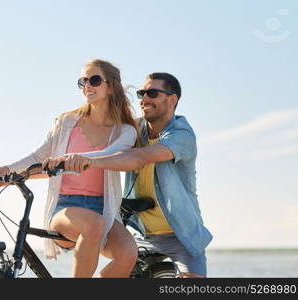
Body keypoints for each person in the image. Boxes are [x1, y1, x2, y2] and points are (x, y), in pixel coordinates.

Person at [46, 72, 213, 278]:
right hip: (138, 232)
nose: (144, 99)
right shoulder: (134, 129)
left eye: (152, 93)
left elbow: (141, 156)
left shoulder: (181, 135)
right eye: (142, 93)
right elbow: (103, 143)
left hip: (181, 236)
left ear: (172, 99)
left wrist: (89, 161)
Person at [0, 59, 140, 277]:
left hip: (104, 208)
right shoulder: (67, 123)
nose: (87, 85)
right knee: (93, 224)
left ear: (111, 86)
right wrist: (7, 169)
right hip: (66, 208)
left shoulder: (124, 131)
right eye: (83, 81)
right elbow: (39, 156)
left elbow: (111, 156)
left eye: (94, 80)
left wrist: (75, 158)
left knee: (128, 253)